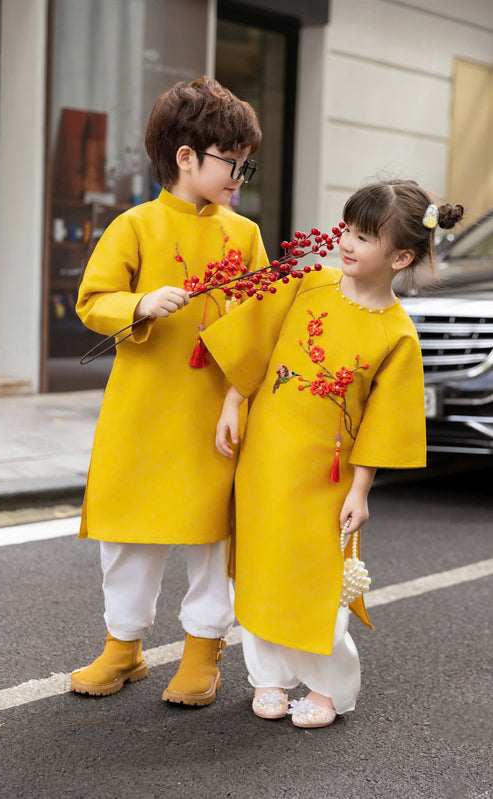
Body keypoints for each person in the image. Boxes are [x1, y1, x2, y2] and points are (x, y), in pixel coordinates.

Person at [202, 180, 463, 726]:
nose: (345, 242)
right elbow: (257, 340)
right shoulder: (308, 285)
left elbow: (385, 423)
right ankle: (268, 677)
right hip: (265, 459)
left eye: (364, 236)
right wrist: (232, 401)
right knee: (257, 569)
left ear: (401, 256)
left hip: (328, 477)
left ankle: (328, 690)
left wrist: (361, 490)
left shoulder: (398, 335)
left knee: (320, 583)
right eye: (346, 228)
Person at [70, 77, 267, 705]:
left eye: (245, 162)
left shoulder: (246, 236)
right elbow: (92, 301)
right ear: (187, 157)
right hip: (144, 407)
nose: (242, 173)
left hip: (216, 410)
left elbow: (262, 320)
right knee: (128, 534)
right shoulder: (134, 225)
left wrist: (240, 395)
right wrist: (142, 303)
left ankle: (202, 655)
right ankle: (122, 650)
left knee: (213, 535)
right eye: (233, 161)